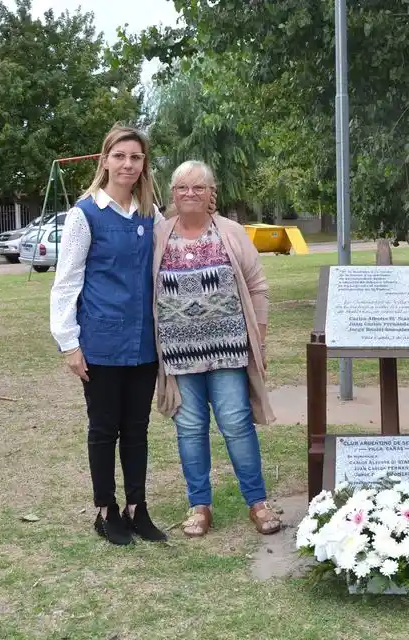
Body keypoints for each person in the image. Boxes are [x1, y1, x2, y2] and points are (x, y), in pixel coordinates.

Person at [50, 125, 167, 545]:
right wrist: (69, 343)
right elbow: (66, 283)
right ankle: (106, 510)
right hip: (100, 343)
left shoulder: (152, 214)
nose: (128, 164)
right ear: (105, 160)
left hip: (143, 343)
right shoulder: (85, 214)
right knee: (104, 429)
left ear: (143, 165)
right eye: (120, 156)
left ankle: (137, 507)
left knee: (137, 429)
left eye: (136, 158)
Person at [152, 160, 281, 538]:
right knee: (190, 430)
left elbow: (258, 287)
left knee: (237, 425)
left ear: (212, 193)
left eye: (198, 187)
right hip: (178, 357)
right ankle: (200, 505)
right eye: (181, 188)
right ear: (171, 193)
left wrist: (258, 337)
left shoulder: (231, 232)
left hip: (228, 353)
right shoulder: (159, 235)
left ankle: (257, 502)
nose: (189, 194)